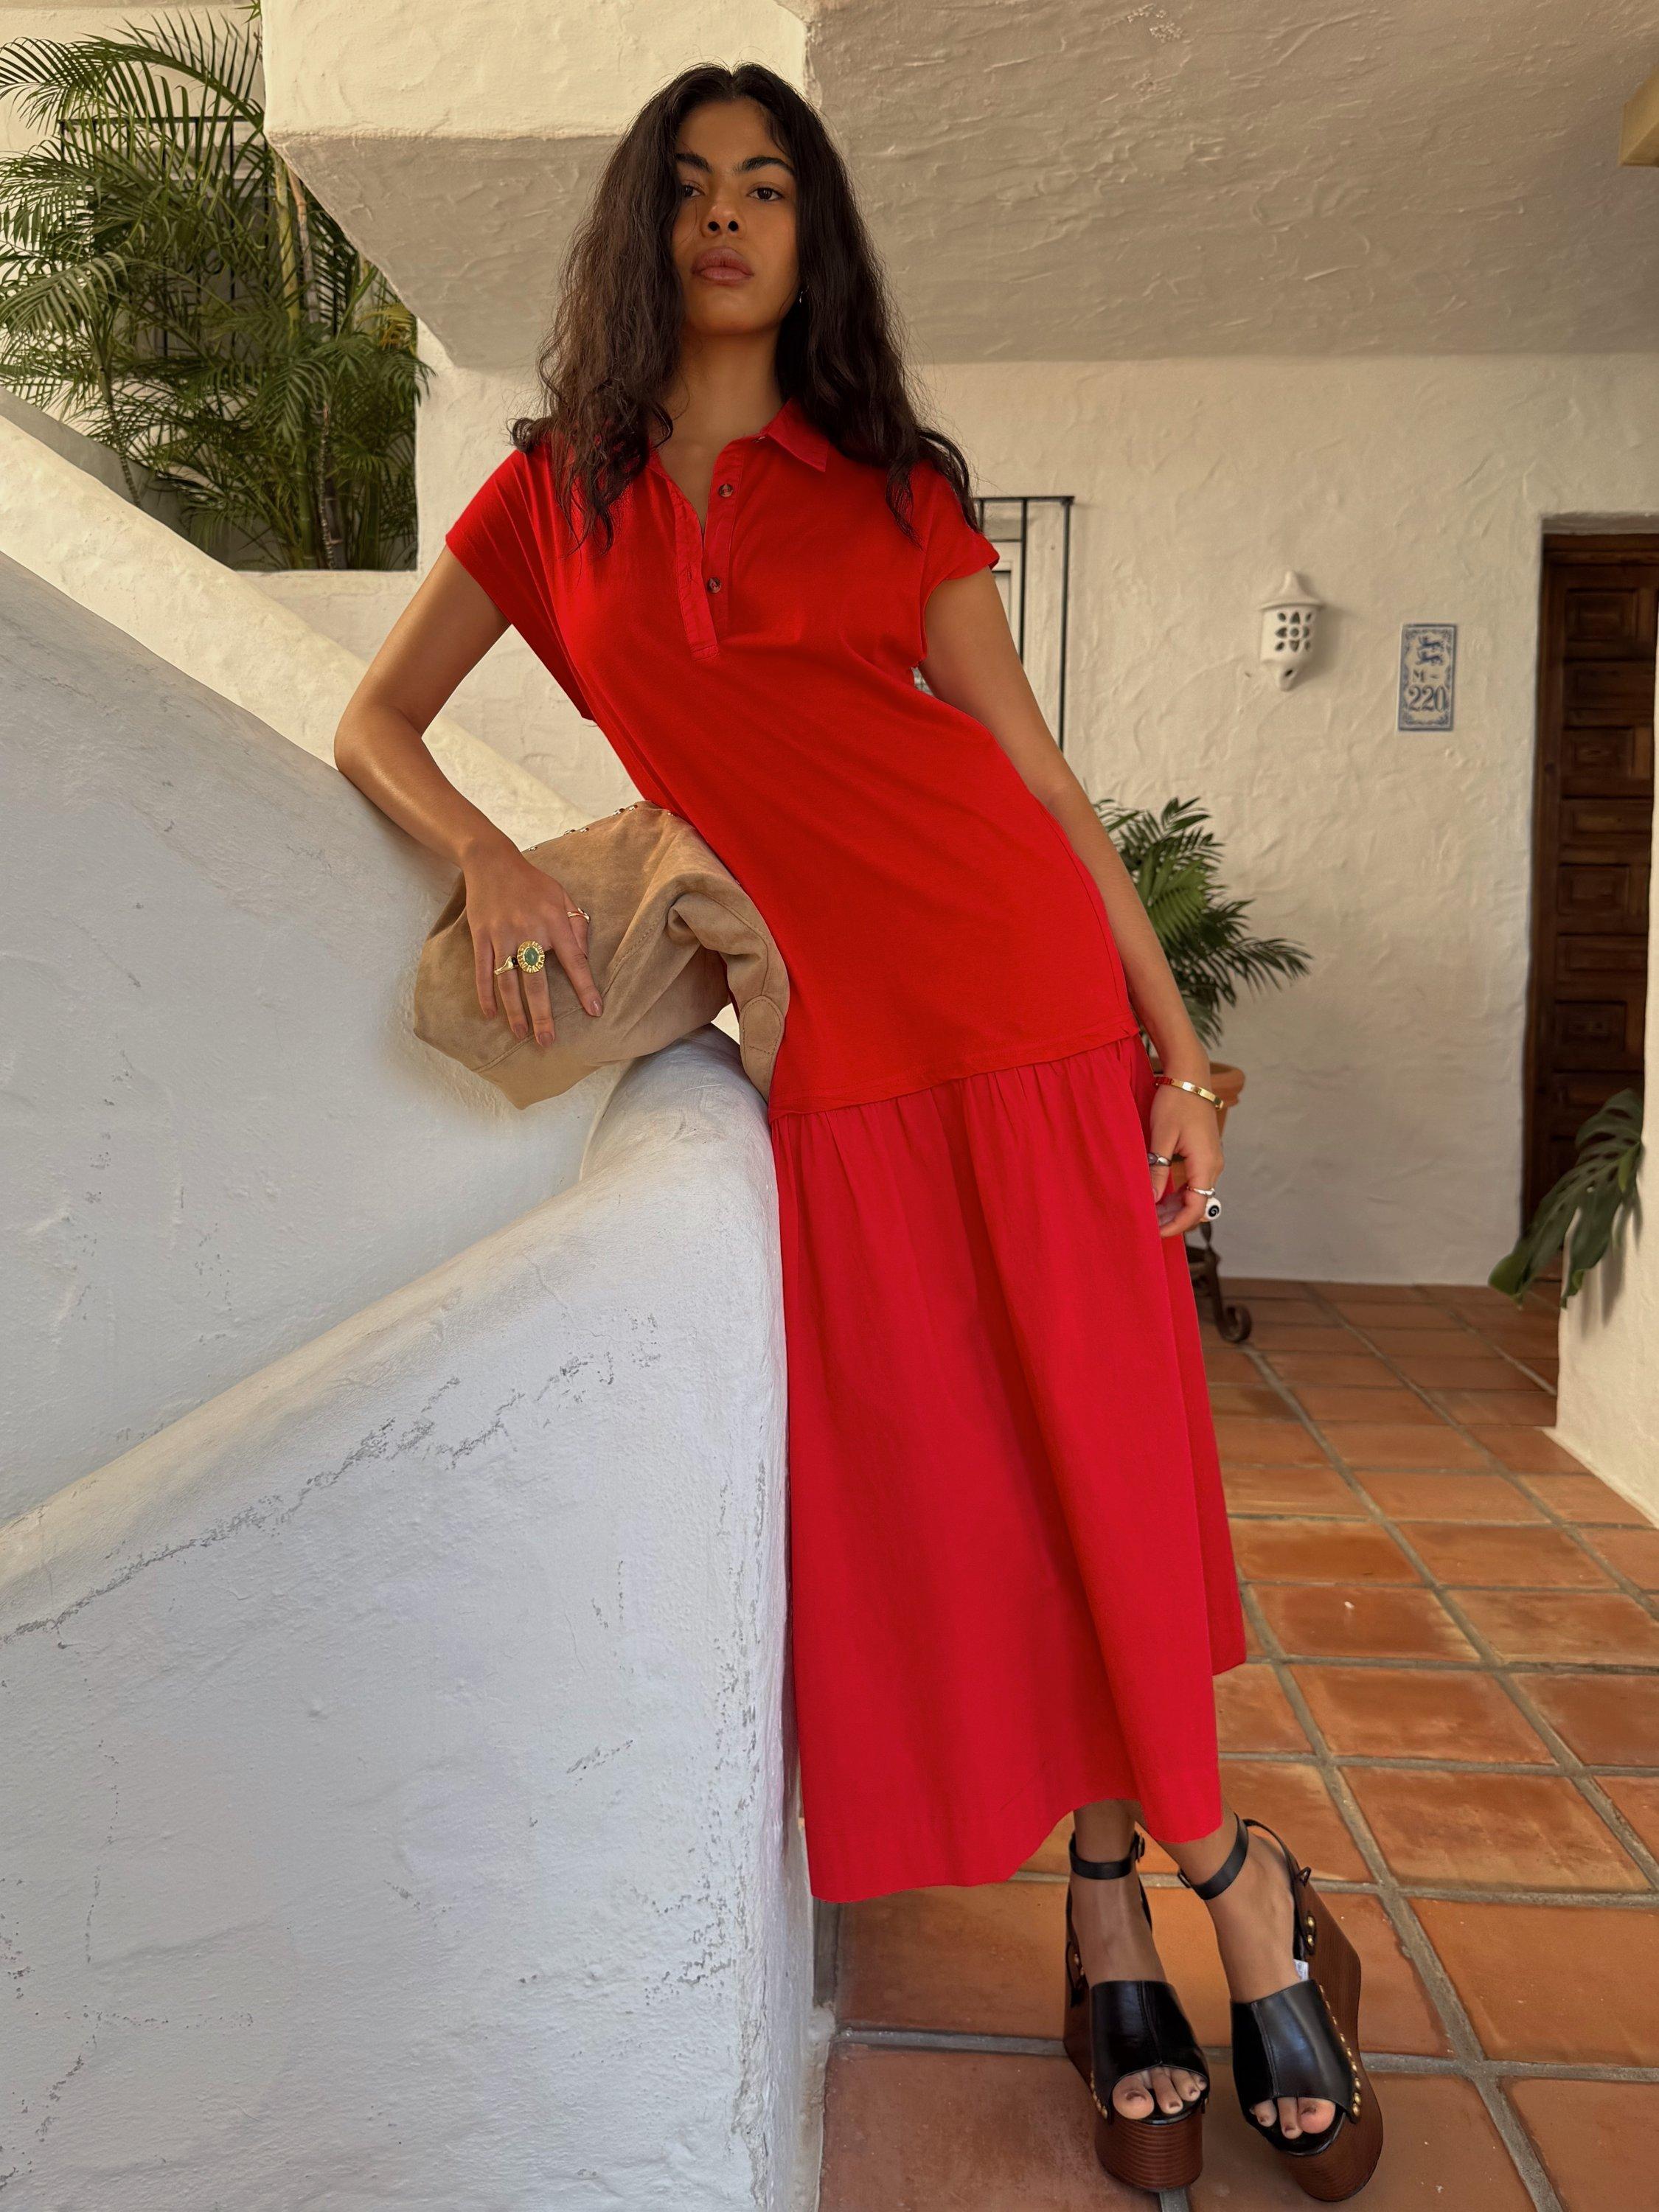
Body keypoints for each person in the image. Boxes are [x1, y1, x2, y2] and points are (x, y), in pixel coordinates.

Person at [332, 62, 1381, 2203]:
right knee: (966, 1499)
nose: (727, 217)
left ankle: (1182, 1903)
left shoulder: (889, 486)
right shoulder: (547, 499)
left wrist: (1178, 1060)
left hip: (1021, 1009)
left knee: (1094, 1467)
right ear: (643, 232)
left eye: (767, 185)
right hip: (836, 1074)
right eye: (690, 187)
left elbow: (1040, 779)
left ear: (810, 236)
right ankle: (1185, 1885)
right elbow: (376, 721)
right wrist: (492, 861)